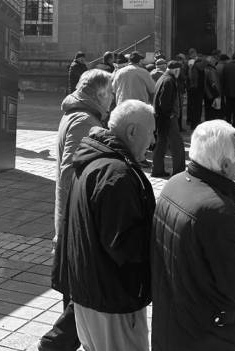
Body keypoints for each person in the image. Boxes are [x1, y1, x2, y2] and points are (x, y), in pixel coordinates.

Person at [151, 120, 235, 351]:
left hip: (172, 326)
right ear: (226, 164)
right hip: (208, 336)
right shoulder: (220, 212)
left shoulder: (174, 184)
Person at [53, 100, 156, 351]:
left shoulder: (94, 159)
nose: (153, 141)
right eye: (152, 132)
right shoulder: (116, 173)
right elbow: (124, 245)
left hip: (91, 293)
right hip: (113, 300)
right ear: (132, 132)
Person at [39, 69, 114, 351]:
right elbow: (69, 172)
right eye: (111, 94)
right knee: (79, 294)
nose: (112, 101)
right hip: (75, 218)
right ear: (100, 94)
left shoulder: (77, 114)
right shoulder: (84, 119)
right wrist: (67, 223)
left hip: (71, 217)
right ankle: (54, 345)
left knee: (76, 292)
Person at [152, 60, 186, 178]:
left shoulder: (163, 78)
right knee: (177, 145)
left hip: (161, 117)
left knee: (161, 143)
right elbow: (164, 101)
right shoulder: (169, 80)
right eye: (179, 71)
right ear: (176, 70)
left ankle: (157, 170)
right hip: (168, 118)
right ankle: (179, 172)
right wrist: (170, 114)